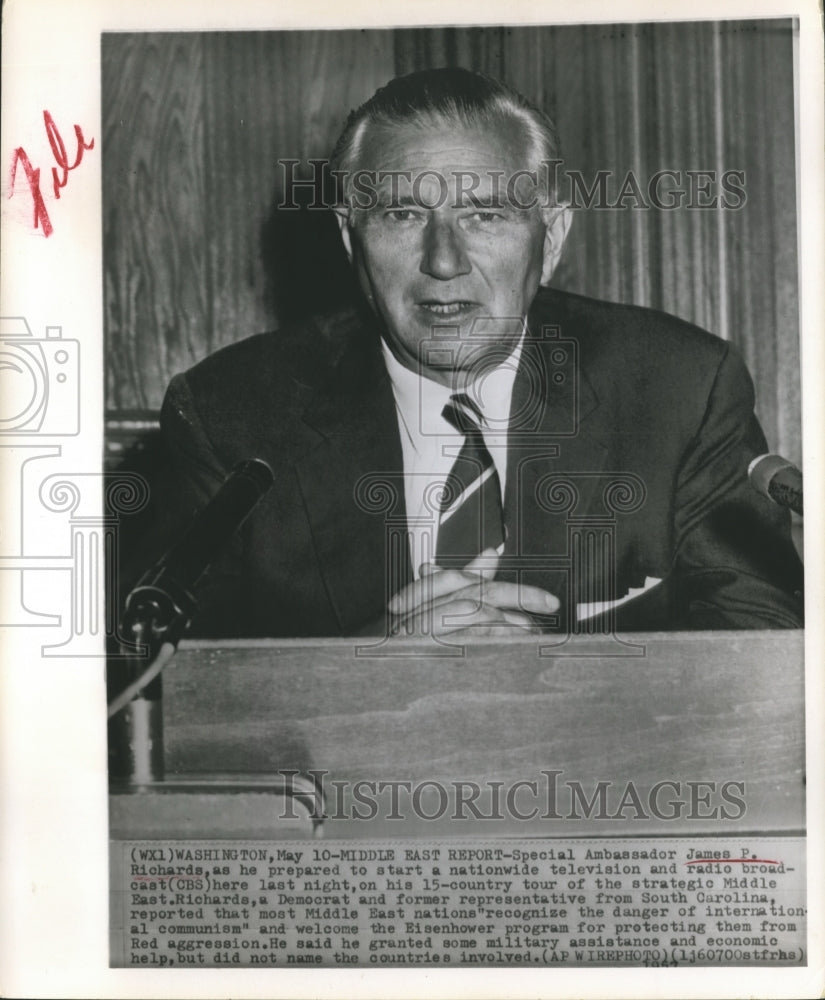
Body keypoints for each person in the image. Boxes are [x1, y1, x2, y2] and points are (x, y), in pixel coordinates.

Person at [132, 67, 803, 638]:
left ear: (553, 234)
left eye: (484, 214)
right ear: (349, 238)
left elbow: (759, 647)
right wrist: (365, 670)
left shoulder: (679, 386)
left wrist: (549, 680)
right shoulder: (230, 411)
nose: (444, 260)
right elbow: (163, 688)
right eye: (401, 215)